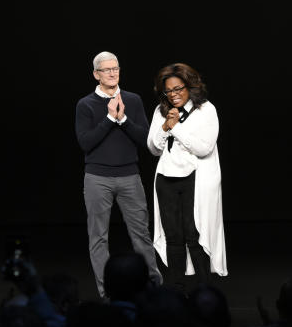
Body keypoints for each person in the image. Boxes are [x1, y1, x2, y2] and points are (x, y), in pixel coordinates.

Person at [75, 51, 162, 298]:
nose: (112, 73)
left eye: (116, 68)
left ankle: (153, 289)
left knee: (141, 235)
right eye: (106, 69)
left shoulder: (132, 100)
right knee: (98, 238)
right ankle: (107, 294)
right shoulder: (86, 104)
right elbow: (86, 143)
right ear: (96, 74)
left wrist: (122, 118)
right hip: (97, 178)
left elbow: (144, 140)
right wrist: (108, 118)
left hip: (129, 176)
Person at [147, 63, 227, 291]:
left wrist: (176, 128)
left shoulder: (206, 110)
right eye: (168, 91)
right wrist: (165, 126)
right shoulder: (160, 110)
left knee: (194, 234)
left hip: (195, 178)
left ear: (190, 86)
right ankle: (175, 289)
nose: (173, 95)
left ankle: (204, 289)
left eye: (178, 89)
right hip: (166, 178)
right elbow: (153, 148)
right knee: (172, 236)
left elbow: (204, 147)